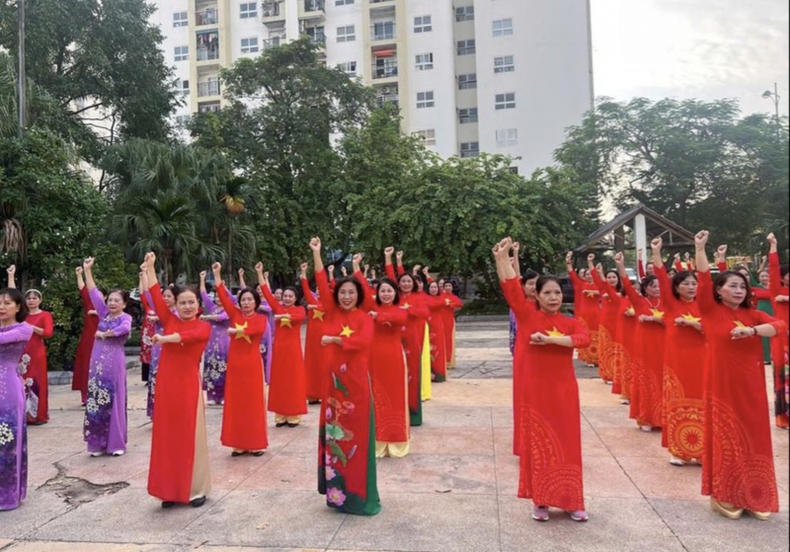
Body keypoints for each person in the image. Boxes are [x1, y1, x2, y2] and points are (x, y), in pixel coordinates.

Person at [494, 238, 590, 523]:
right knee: (540, 446)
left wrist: (553, 340)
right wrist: (503, 258)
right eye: (547, 293)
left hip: (564, 393)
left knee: (568, 445)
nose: (553, 297)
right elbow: (511, 287)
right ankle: (542, 501)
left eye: (557, 293)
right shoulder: (528, 317)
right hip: (537, 393)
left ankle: (572, 501)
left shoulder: (570, 321)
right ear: (536, 295)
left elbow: (584, 340)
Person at [694, 231, 783, 520]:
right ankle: (724, 493)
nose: (739, 290)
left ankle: (754, 492)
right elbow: (704, 276)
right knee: (727, 438)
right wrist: (700, 248)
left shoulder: (753, 315)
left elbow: (779, 325)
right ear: (719, 290)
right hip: (721, 386)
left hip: (752, 387)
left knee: (754, 438)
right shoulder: (709, 310)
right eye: (732, 286)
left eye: (742, 287)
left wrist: (752, 331)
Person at [310, 237, 381, 516]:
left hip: (357, 390)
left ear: (358, 294)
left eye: (351, 292)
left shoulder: (365, 318)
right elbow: (319, 280)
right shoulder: (331, 311)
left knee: (356, 440)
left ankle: (358, 496)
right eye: (343, 292)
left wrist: (335, 340)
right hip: (334, 391)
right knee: (335, 440)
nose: (346, 296)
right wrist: (317, 253)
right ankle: (337, 495)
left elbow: (362, 343)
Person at [143, 253, 211, 509]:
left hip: (188, 389)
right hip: (166, 387)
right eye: (182, 302)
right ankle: (169, 490)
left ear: (198, 305)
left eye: (191, 302)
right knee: (166, 436)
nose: (187, 306)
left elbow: (187, 338)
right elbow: (155, 294)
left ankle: (195, 489)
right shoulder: (169, 319)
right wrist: (150, 268)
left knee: (190, 436)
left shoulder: (202, 327)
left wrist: (164, 338)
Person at [651, 238, 706, 466]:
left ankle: (702, 450)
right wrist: (656, 252)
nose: (691, 287)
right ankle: (678, 449)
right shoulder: (671, 304)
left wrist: (700, 249)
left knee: (702, 402)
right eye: (686, 284)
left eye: (694, 283)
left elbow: (711, 328)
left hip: (702, 359)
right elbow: (662, 278)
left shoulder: (705, 306)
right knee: (677, 400)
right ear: (677, 287)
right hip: (677, 360)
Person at [210, 263, 270, 456]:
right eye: (243, 299)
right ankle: (238, 443)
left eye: (249, 300)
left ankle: (255, 443)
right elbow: (224, 297)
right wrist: (217, 274)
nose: (246, 303)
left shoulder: (261, 319)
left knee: (253, 404)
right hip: (235, 365)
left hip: (252, 365)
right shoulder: (234, 313)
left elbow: (255, 331)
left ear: (256, 302)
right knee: (236, 403)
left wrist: (236, 330)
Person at [354, 260, 410, 458]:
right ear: (377, 293)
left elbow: (398, 319)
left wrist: (377, 316)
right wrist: (356, 268)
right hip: (373, 359)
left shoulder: (400, 311)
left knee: (394, 398)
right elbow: (361, 287)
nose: (386, 294)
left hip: (394, 360)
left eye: (389, 290)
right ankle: (376, 441)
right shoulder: (372, 305)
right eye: (383, 291)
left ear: (395, 293)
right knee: (374, 397)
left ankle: (396, 442)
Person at [81, 257, 133, 458]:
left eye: (116, 300)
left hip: (114, 363)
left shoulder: (125, 317)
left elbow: (123, 329)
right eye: (110, 300)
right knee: (96, 399)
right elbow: (92, 292)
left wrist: (105, 334)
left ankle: (115, 443)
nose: (111, 303)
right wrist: (87, 271)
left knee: (113, 399)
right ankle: (97, 444)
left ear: (124, 303)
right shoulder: (103, 313)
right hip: (97, 362)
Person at [617, 255, 666, 432]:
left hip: (664, 346)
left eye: (660, 286)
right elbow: (628, 286)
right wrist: (621, 265)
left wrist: (655, 318)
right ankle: (645, 418)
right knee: (646, 379)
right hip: (645, 346)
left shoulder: (666, 303)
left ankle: (661, 417)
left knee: (662, 380)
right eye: (653, 286)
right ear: (646, 288)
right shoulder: (639, 302)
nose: (657, 289)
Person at [258, 265, 308, 428]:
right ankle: (280, 416)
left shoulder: (300, 310)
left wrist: (283, 315)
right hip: (279, 351)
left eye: (290, 296)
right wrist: (260, 274)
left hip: (293, 352)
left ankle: (293, 416)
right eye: (285, 295)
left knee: (292, 382)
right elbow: (266, 292)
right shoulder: (277, 307)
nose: (287, 298)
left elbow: (296, 318)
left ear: (295, 298)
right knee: (279, 382)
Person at [384, 248, 429, 427]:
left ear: (414, 283)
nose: (405, 284)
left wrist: (408, 310)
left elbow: (425, 313)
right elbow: (390, 276)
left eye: (409, 281)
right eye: (402, 281)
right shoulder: (395, 296)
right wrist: (389, 258)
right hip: (394, 339)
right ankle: (396, 409)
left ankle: (413, 412)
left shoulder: (419, 297)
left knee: (412, 374)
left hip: (412, 339)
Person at [0, 287, 34, 511]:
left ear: (18, 306)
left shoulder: (24, 329)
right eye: (0, 303)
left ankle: (7, 495)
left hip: (8, 390)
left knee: (7, 440)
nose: (1, 307)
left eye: (7, 303)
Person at [7, 266, 53, 426]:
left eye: (35, 298)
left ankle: (38, 415)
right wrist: (11, 276)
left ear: (40, 300)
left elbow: (47, 333)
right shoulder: (22, 316)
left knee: (37, 381)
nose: (31, 300)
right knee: (21, 380)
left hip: (37, 353)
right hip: (21, 352)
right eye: (29, 298)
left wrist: (30, 327)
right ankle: (24, 415)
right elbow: (11, 297)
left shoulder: (45, 315)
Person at [588, 254, 625, 385]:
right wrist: (591, 263)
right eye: (609, 277)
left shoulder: (623, 290)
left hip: (620, 321)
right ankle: (607, 374)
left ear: (618, 278)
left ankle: (618, 373)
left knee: (618, 347)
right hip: (605, 321)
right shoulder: (603, 287)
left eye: (614, 277)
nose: (611, 279)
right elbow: (596, 278)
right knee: (605, 347)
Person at [767, 233, 789, 429]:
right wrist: (774, 246)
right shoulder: (777, 291)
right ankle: (784, 417)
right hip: (783, 340)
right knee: (783, 376)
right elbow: (772, 270)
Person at [199, 271, 231, 406]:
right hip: (211, 342)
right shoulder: (211, 307)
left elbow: (221, 318)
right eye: (217, 296)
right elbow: (203, 295)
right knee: (210, 366)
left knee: (223, 367)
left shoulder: (229, 309)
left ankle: (224, 395)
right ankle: (212, 396)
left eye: (221, 296)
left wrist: (206, 318)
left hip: (224, 342)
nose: (218, 299)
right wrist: (202, 279)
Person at [301, 263, 329, 404]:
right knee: (312, 365)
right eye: (316, 290)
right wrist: (304, 273)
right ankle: (312, 393)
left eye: (320, 290)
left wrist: (315, 307)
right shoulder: (312, 300)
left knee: (324, 364)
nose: (318, 292)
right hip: (312, 339)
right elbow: (305, 289)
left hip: (324, 338)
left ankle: (324, 392)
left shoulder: (328, 304)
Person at [566, 257, 600, 367]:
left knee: (597, 335)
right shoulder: (581, 284)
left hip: (596, 313)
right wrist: (568, 262)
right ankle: (588, 358)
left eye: (591, 274)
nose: (589, 276)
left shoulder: (598, 285)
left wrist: (590, 262)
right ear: (584, 276)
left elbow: (601, 292)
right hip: (584, 313)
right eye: (587, 274)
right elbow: (572, 274)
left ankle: (597, 357)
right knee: (587, 334)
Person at [73, 267, 100, 405]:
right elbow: (84, 290)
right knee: (85, 366)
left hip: (102, 341)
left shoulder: (110, 309)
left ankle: (98, 394)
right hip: (88, 340)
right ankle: (85, 395)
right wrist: (79, 275)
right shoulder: (89, 304)